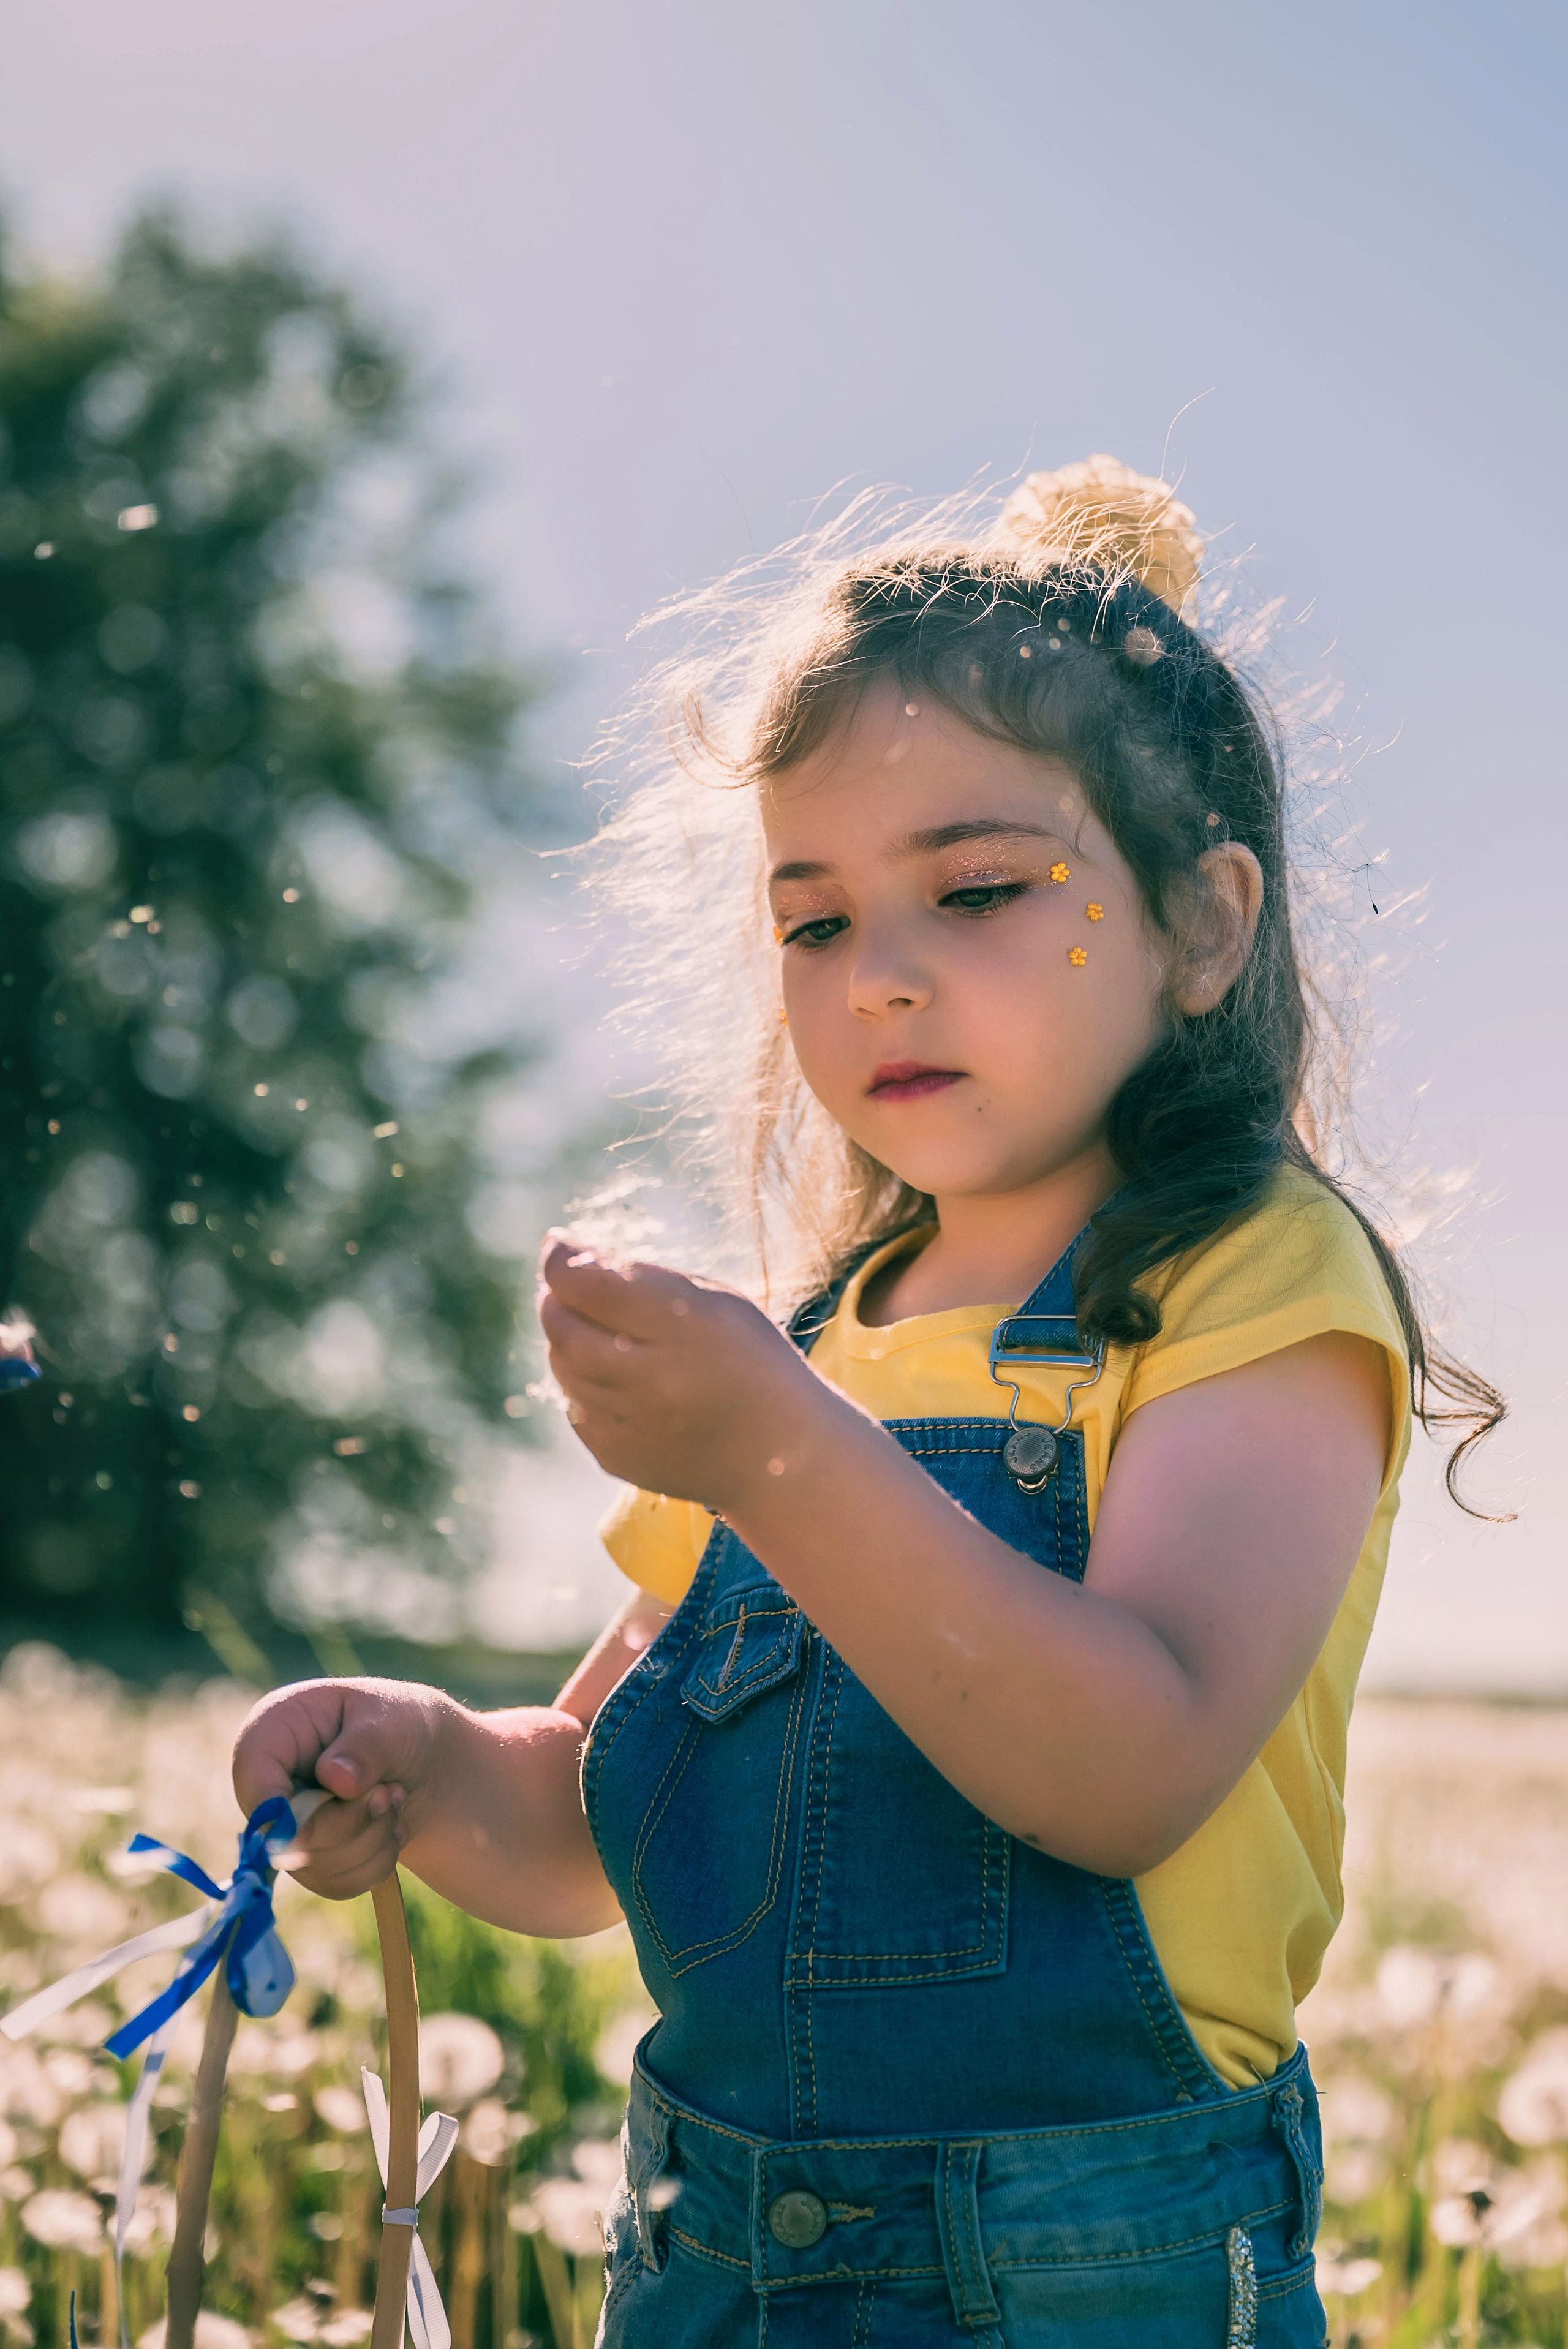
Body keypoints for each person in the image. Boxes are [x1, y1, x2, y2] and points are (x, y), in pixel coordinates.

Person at [233, 458, 1503, 2347]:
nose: (881, 978)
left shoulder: (1250, 1281)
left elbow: (1127, 1762)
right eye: (814, 921)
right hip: (708, 2260)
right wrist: (423, 1766)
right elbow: (593, 1822)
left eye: (979, 888)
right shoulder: (804, 1351)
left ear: (1206, 924)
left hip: (1090, 2265)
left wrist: (769, 1448)